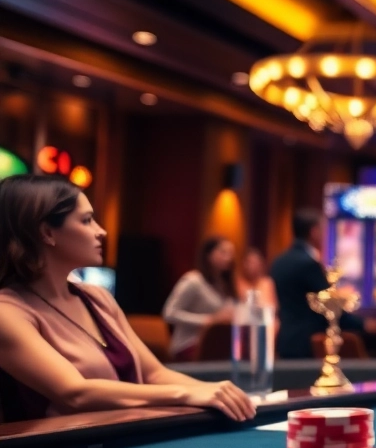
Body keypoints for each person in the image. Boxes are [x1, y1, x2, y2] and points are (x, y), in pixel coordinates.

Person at [0, 175, 253, 422]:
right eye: (87, 221)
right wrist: (187, 393)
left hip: (120, 442)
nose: (102, 231)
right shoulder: (8, 312)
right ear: (47, 233)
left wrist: (219, 393)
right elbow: (75, 393)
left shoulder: (97, 297)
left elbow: (154, 374)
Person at [271, 208, 334, 360]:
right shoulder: (308, 264)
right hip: (308, 343)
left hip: (285, 340)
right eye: (322, 229)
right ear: (314, 231)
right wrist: (363, 325)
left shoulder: (278, 262)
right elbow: (329, 304)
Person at [162, 237, 236, 360]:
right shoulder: (193, 281)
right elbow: (169, 313)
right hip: (189, 344)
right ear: (208, 254)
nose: (228, 258)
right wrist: (207, 320)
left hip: (216, 344)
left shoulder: (223, 284)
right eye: (223, 252)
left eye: (231, 254)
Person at [236, 247, 278, 311]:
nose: (252, 266)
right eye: (249, 262)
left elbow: (274, 306)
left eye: (255, 262)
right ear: (243, 264)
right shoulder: (237, 283)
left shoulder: (267, 283)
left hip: (265, 317)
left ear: (261, 264)